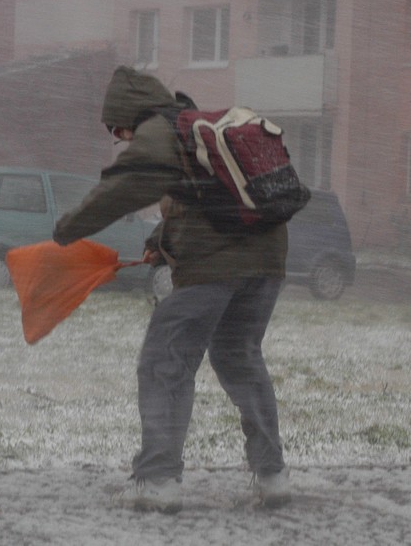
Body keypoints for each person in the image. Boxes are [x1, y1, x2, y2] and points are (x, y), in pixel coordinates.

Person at [53, 66, 291, 514]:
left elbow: (122, 188)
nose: (121, 137)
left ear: (130, 115)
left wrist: (66, 229)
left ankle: (158, 480)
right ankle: (273, 474)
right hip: (268, 261)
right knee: (239, 356)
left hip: (214, 267)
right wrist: (159, 245)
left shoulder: (158, 132)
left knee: (166, 361)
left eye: (118, 128)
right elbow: (205, 206)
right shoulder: (199, 134)